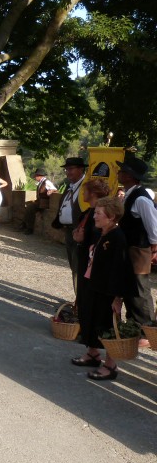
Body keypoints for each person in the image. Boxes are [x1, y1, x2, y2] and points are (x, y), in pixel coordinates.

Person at [71, 197, 135, 381]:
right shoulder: (102, 233)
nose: (94, 217)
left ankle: (110, 365)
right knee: (90, 319)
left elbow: (120, 269)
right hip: (94, 285)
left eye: (98, 213)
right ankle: (92, 354)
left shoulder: (117, 237)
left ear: (112, 216)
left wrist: (117, 298)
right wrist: (81, 242)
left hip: (107, 291)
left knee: (107, 325)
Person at [116, 156, 157, 342]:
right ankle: (134, 325)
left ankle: (146, 332)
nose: (119, 173)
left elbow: (153, 225)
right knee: (130, 289)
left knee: (140, 290)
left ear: (131, 176)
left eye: (123, 171)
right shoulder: (130, 194)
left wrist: (154, 248)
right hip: (130, 248)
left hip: (139, 249)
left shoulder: (140, 198)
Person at [70, 179, 112, 362]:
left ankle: (96, 350)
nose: (83, 194)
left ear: (93, 194)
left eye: (86, 191)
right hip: (86, 265)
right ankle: (91, 350)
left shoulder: (102, 214)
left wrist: (82, 240)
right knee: (86, 306)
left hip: (94, 269)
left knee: (95, 309)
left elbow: (99, 238)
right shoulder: (90, 212)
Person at [54, 157, 87, 294]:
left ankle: (80, 302)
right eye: (67, 169)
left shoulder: (85, 186)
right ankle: (78, 299)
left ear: (81, 169)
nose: (68, 172)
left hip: (80, 231)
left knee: (79, 267)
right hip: (69, 231)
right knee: (74, 267)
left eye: (71, 169)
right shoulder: (70, 186)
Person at [21, 168, 57, 234]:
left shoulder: (46, 182)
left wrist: (51, 191)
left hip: (44, 203)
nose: (35, 177)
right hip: (39, 202)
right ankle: (24, 224)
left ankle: (29, 228)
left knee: (30, 208)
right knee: (28, 205)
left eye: (36, 176)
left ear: (40, 176)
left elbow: (55, 190)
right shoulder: (40, 183)